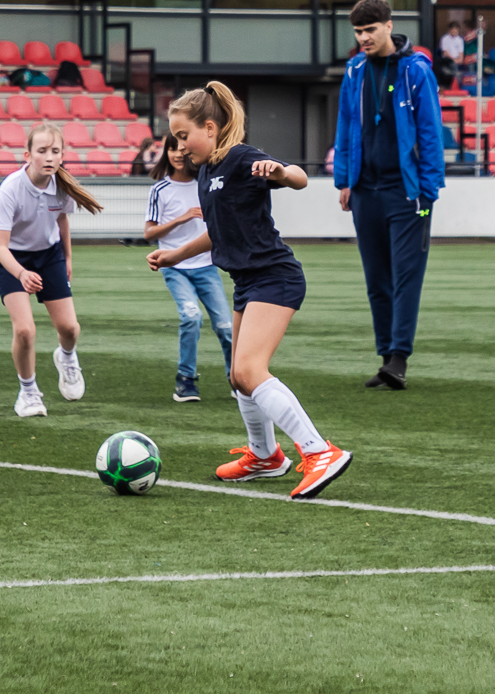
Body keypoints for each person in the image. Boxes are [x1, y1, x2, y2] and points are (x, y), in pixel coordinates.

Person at [148, 81, 351, 499]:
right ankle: (265, 456)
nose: (180, 147)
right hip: (248, 282)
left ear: (210, 127)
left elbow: (299, 178)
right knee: (237, 378)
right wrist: (176, 254)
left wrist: (278, 172)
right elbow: (217, 232)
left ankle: (319, 451)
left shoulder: (241, 158)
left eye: (185, 137)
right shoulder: (206, 172)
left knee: (249, 371)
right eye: (176, 139)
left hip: (274, 277)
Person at [331, 0, 445, 391]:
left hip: (407, 192)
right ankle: (385, 359)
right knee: (376, 277)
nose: (363, 38)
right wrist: (344, 179)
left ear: (388, 26)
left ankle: (399, 358)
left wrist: (428, 189)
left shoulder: (416, 70)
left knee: (406, 276)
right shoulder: (355, 69)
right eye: (358, 32)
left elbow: (430, 130)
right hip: (365, 189)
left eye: (369, 30)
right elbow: (346, 125)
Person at [0, 123, 103, 418]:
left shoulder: (62, 188)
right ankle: (27, 393)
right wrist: (21, 274)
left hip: (49, 254)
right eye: (42, 151)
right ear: (27, 155)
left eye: (55, 151)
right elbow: (0, 246)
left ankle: (66, 357)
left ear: (63, 155)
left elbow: (62, 222)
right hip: (11, 257)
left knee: (69, 328)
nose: (49, 157)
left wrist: (67, 257)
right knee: (25, 330)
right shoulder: (10, 189)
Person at [145, 131, 234, 404]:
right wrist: (182, 219)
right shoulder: (160, 189)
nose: (177, 154)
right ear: (166, 154)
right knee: (191, 317)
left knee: (226, 326)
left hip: (206, 266)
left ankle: (239, 379)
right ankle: (186, 381)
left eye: (181, 149)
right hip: (175, 267)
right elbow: (149, 233)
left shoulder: (205, 183)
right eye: (172, 149)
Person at [437, 20, 466, 91]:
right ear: (450, 30)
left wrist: (460, 59)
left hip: (457, 60)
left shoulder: (460, 40)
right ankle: (449, 87)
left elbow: (461, 52)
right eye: (453, 29)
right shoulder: (445, 39)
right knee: (452, 65)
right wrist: (454, 60)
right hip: (447, 60)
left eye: (456, 30)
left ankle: (460, 87)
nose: (454, 31)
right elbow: (445, 53)